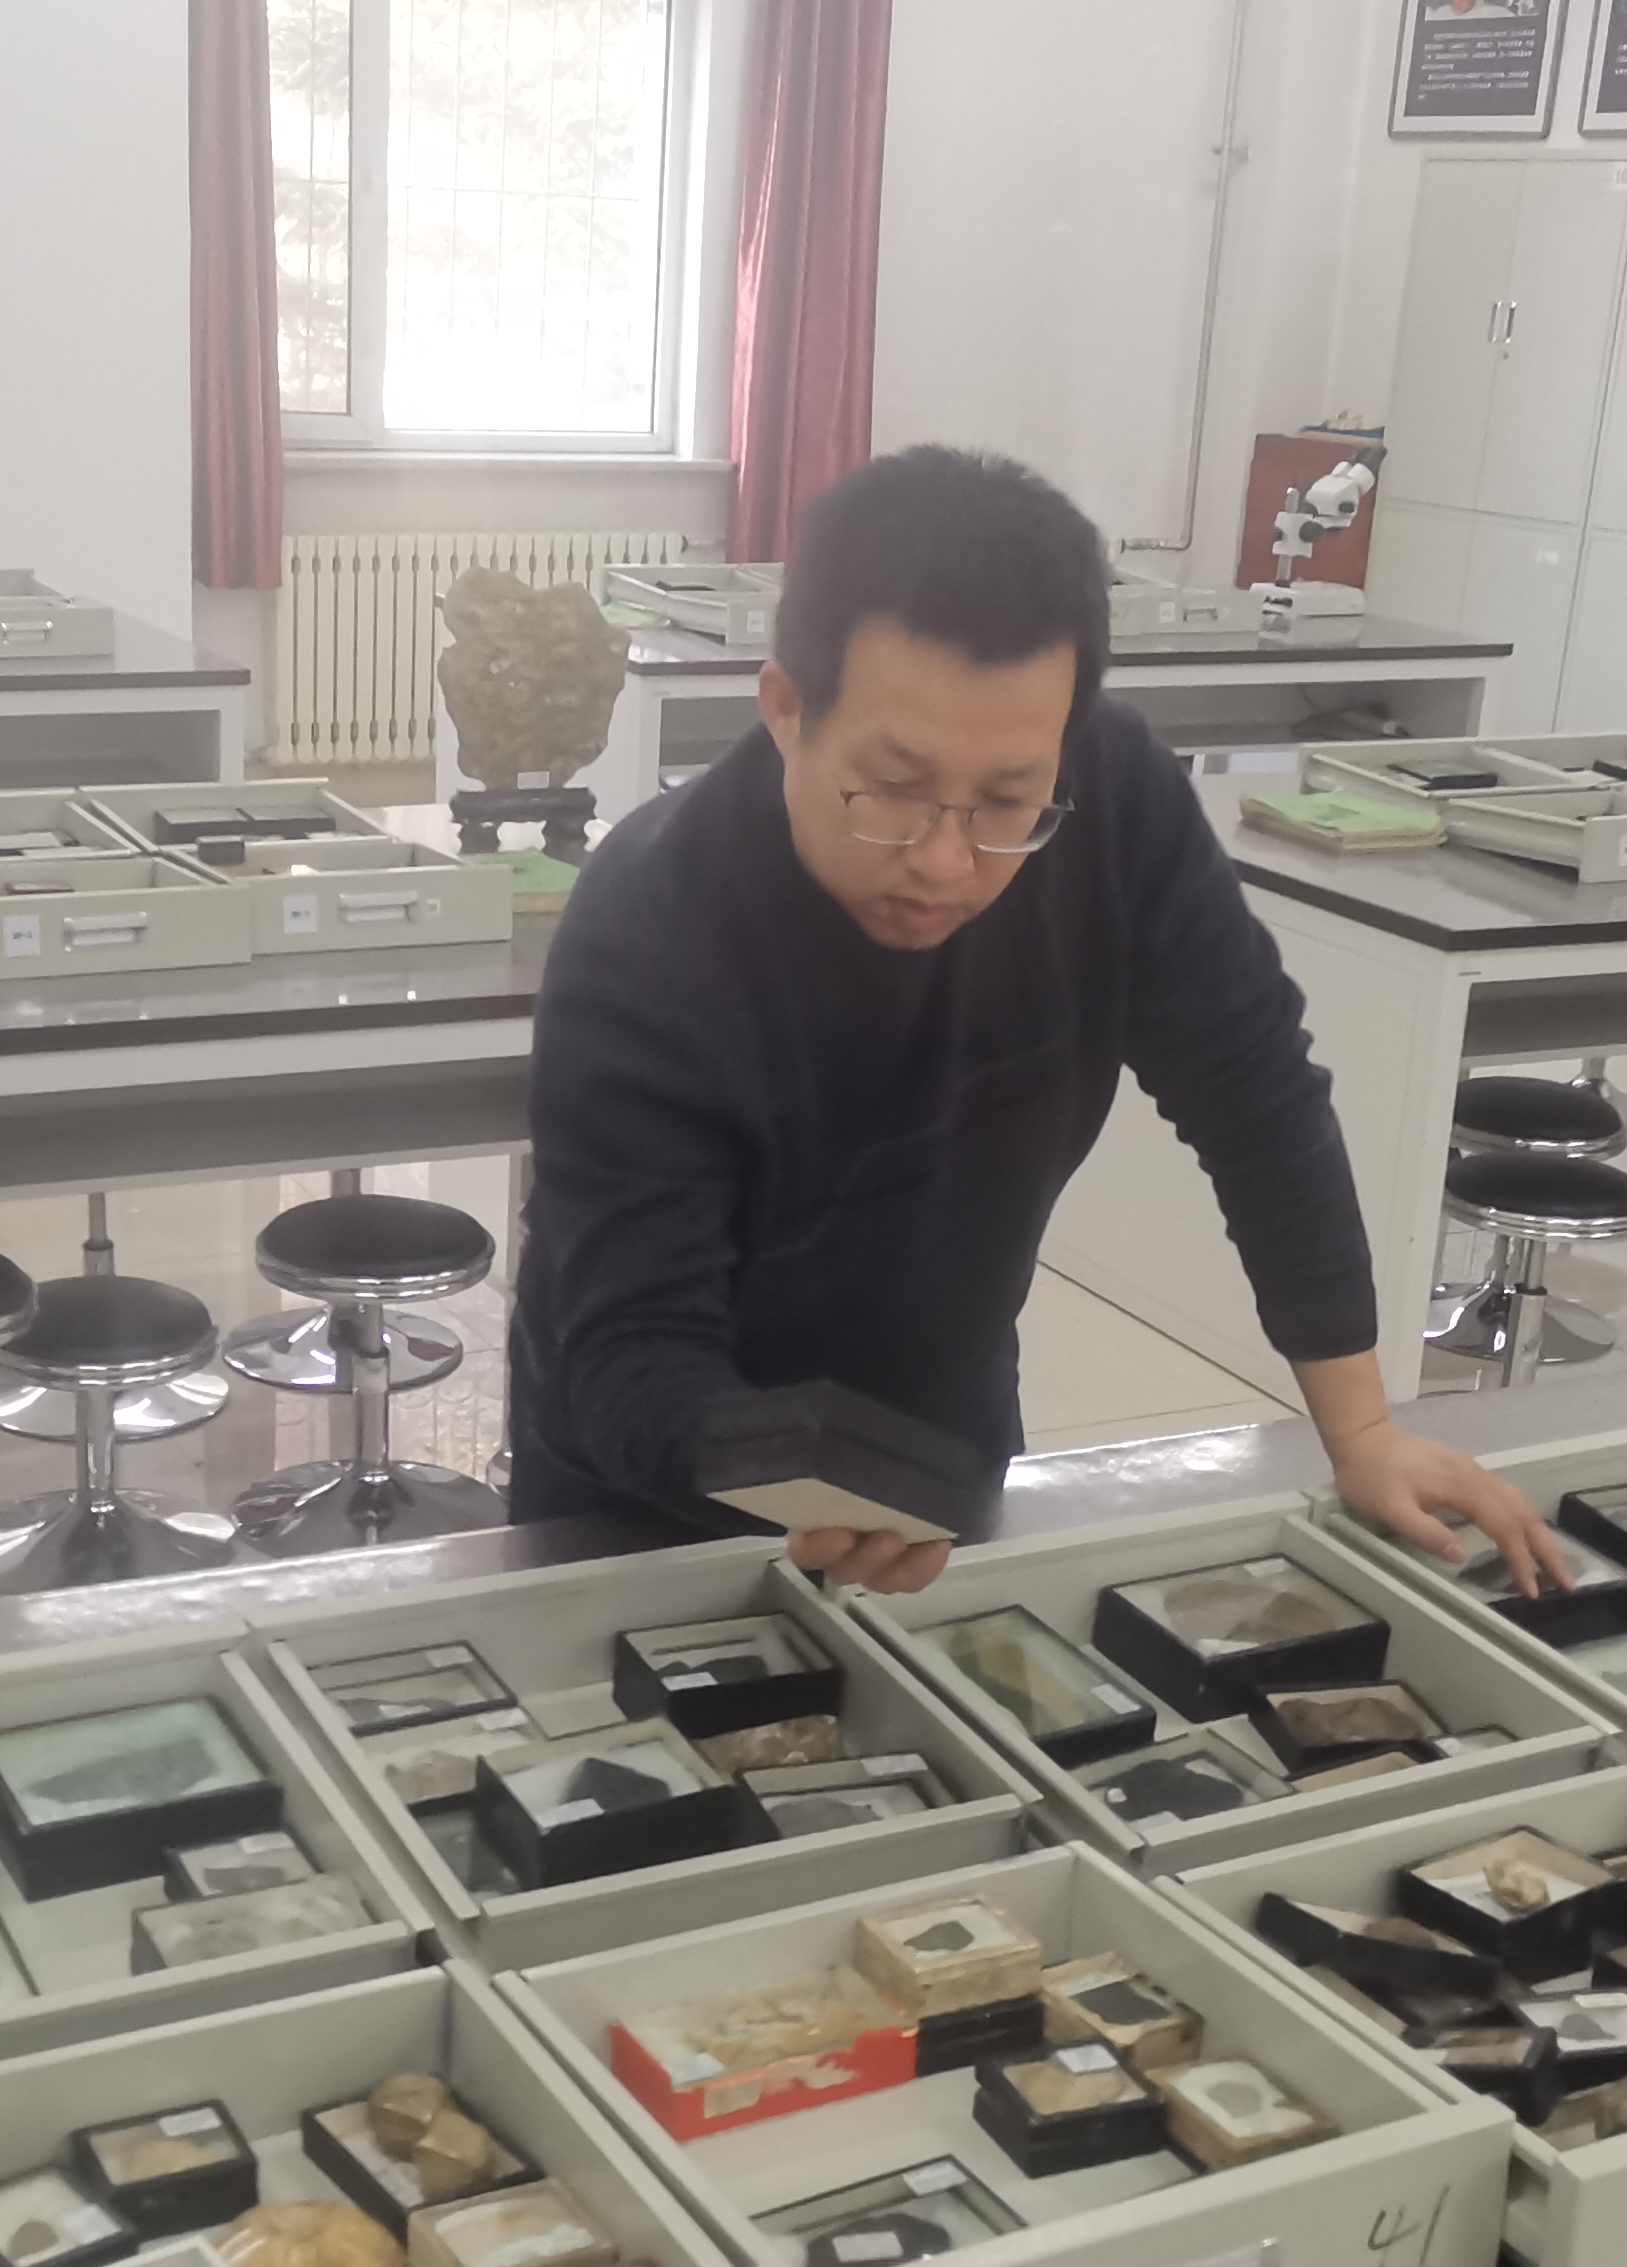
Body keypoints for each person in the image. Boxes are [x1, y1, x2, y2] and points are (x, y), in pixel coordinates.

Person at [507, 444, 1564, 1596]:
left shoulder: (1113, 798)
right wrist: (825, 1497)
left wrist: (1359, 1432)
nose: (944, 861)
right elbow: (633, 1359)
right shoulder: (648, 932)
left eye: (1008, 801)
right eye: (891, 789)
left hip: (935, 1447)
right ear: (785, 710)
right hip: (649, 1491)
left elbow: (1255, 1096)